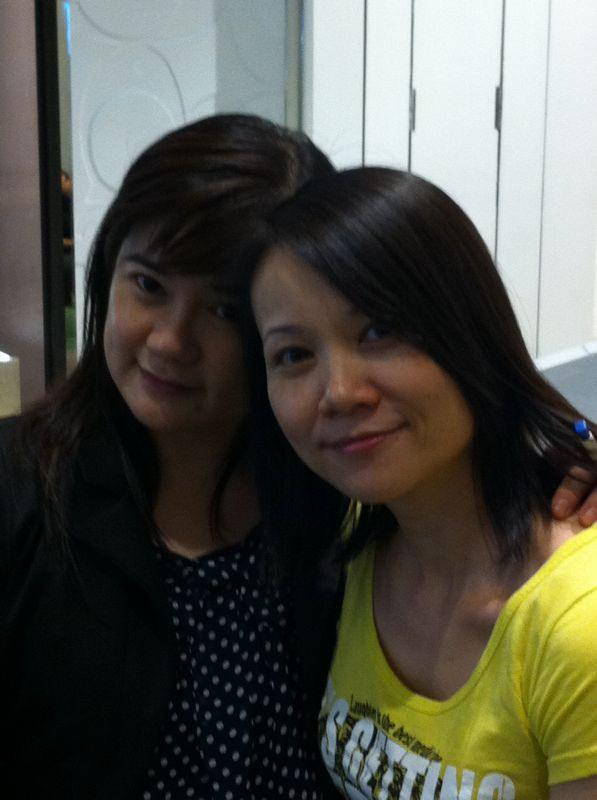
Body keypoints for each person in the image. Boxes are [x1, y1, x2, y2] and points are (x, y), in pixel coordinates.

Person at [0, 114, 341, 800]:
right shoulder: (19, 490)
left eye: (224, 311)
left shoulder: (336, 484)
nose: (169, 342)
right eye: (149, 285)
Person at [249, 167, 597, 800]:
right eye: (293, 355)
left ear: (470, 330)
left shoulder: (577, 628)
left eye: (379, 331)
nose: (340, 393)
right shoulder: (354, 536)